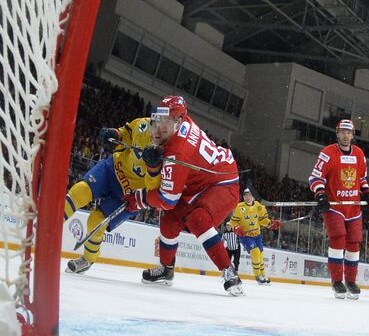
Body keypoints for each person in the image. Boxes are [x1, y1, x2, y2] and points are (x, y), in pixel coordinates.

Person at [140, 95, 244, 296]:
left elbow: (167, 200)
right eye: (159, 119)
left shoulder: (177, 153)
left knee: (198, 219)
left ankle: (229, 271)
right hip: (199, 183)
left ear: (178, 122)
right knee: (169, 222)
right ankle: (166, 269)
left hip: (223, 182)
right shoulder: (182, 122)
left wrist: (143, 197)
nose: (160, 126)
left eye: (166, 121)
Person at [63, 116, 163, 274]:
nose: (156, 132)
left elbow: (157, 188)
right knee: (79, 191)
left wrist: (153, 169)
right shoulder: (142, 125)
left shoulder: (170, 153)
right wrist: (114, 135)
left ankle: (88, 259)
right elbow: (126, 134)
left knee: (95, 222)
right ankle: (48, 228)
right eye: (155, 125)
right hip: (112, 168)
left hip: (129, 195)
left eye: (162, 128)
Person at [308, 118, 369, 300]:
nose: (346, 136)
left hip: (353, 207)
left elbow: (361, 179)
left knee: (354, 243)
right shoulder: (328, 153)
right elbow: (315, 178)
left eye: (349, 132)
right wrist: (321, 194)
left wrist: (368, 191)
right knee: (338, 240)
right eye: (342, 132)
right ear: (337, 133)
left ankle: (351, 281)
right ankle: (337, 281)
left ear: (353, 135)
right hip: (335, 206)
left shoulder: (359, 154)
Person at [229, 189, 280, 285]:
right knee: (255, 253)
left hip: (257, 235)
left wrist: (271, 224)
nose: (247, 197)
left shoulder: (259, 207)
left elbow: (263, 221)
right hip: (246, 236)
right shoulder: (239, 208)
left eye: (249, 195)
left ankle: (262, 275)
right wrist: (236, 228)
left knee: (260, 255)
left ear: (252, 196)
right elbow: (232, 222)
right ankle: (258, 276)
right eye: (245, 195)